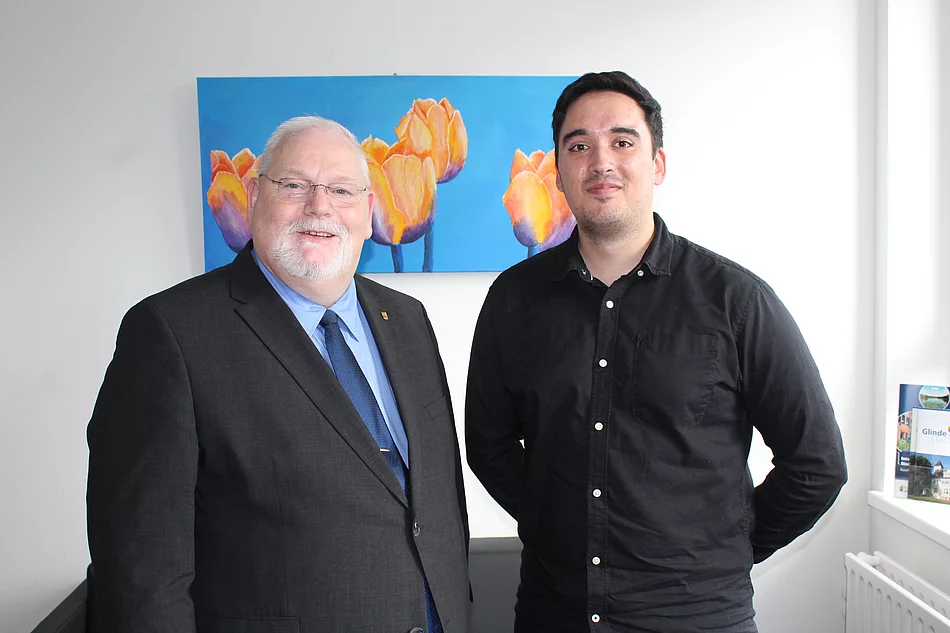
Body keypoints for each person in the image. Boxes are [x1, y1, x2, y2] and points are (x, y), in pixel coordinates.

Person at [465, 72, 847, 633]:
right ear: (559, 173)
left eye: (622, 142)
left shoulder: (736, 301)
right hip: (555, 611)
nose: (601, 161)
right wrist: (558, 525)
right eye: (579, 146)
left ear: (658, 164)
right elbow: (489, 445)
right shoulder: (513, 299)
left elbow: (817, 465)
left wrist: (724, 550)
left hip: (696, 616)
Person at [87, 116, 470, 633]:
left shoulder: (407, 319)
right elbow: (141, 571)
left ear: (368, 212)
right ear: (252, 196)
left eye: (341, 190)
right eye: (294, 185)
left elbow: (436, 499)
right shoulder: (171, 332)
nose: (320, 207)